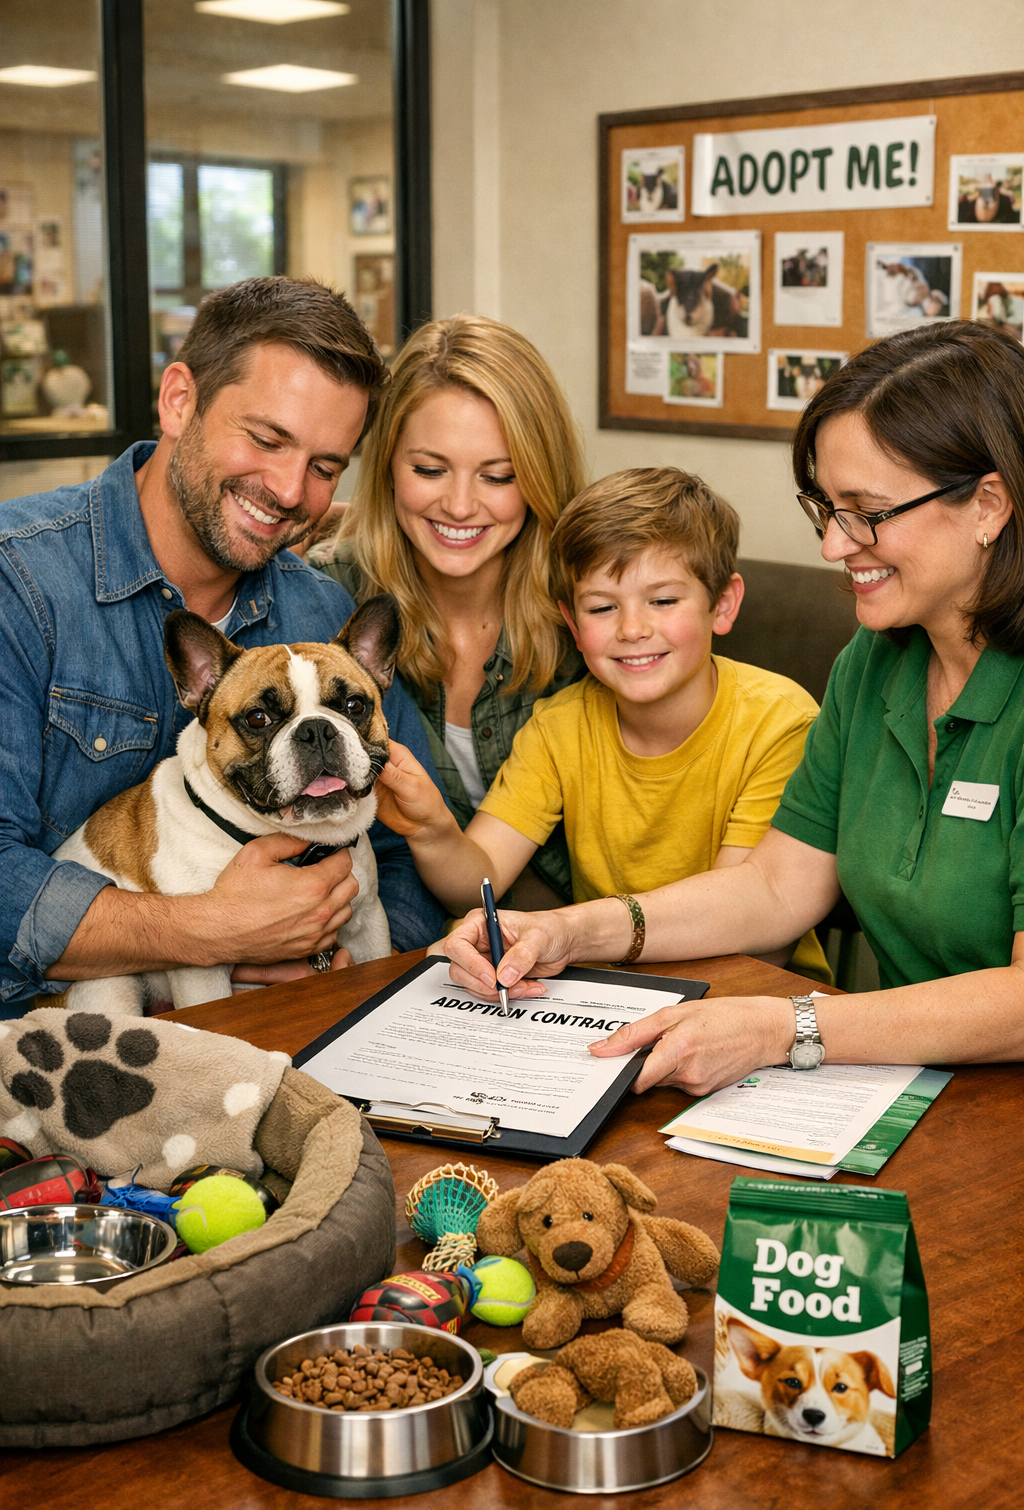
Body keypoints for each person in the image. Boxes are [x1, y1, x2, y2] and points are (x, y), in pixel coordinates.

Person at [440, 321, 1024, 1095]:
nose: (834, 546)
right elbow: (775, 888)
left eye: (868, 512)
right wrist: (571, 930)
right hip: (913, 1083)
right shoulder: (873, 663)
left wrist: (788, 1029)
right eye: (827, 509)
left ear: (989, 504)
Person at [0, 275, 446, 1019]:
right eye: (267, 439)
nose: (289, 489)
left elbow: (406, 853)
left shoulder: (320, 613)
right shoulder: (19, 584)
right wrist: (208, 931)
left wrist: (334, 970)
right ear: (180, 400)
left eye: (325, 467)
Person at [376, 467, 829, 982]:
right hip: (606, 989)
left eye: (663, 600)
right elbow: (478, 881)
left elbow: (746, 928)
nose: (632, 629)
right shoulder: (558, 727)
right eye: (602, 607)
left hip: (756, 992)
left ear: (721, 605)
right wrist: (431, 829)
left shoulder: (778, 723)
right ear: (573, 623)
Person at [311, 314, 587, 909]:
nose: (460, 506)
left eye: (499, 476)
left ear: (540, 477)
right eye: (429, 470)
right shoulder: (327, 597)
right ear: (387, 465)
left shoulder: (593, 608)